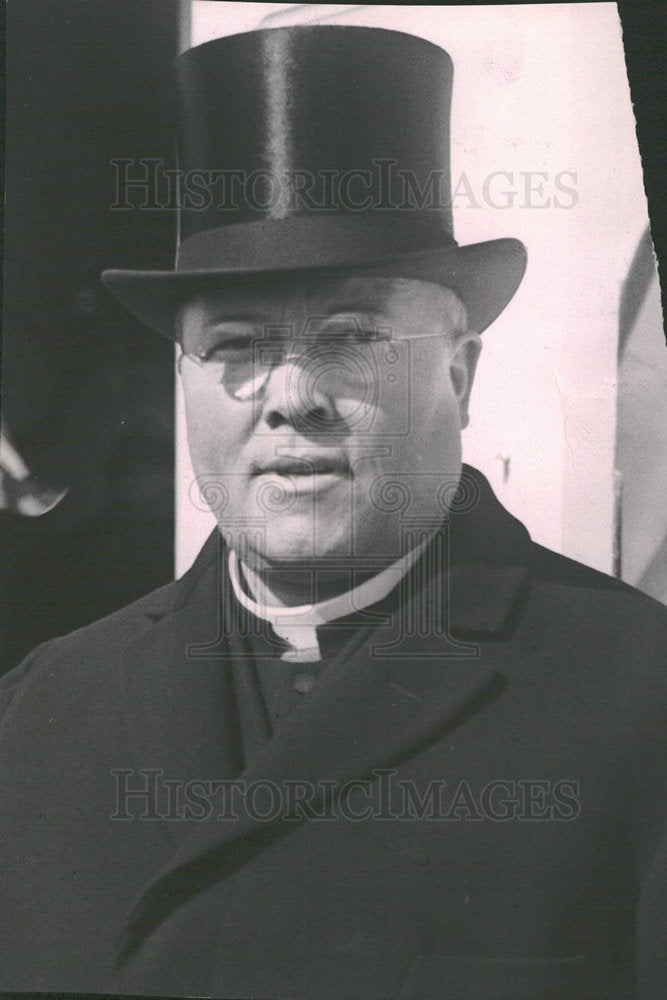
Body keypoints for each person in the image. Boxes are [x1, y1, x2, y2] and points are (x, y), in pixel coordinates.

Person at [1, 24, 665, 1000]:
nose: (290, 395)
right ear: (182, 384)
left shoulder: (636, 701)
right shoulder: (42, 710)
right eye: (235, 343)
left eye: (350, 336)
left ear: (459, 373)